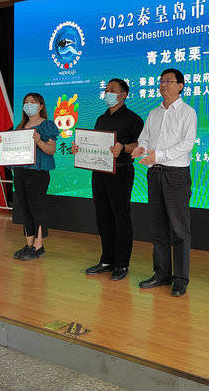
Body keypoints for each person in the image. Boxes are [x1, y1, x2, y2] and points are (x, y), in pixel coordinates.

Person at [131, 68, 196, 297]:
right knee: (158, 227)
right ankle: (161, 274)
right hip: (155, 173)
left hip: (176, 174)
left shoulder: (188, 112)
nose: (163, 85)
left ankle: (180, 279)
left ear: (180, 86)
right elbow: (145, 138)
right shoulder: (154, 113)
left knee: (179, 229)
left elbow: (187, 144)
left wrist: (158, 156)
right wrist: (141, 149)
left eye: (169, 81)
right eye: (161, 81)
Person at [72, 79, 143, 281]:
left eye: (112, 90)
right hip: (99, 173)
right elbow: (95, 145)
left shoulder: (133, 119)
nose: (107, 93)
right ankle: (106, 260)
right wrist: (80, 149)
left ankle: (122, 264)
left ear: (124, 95)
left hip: (120, 173)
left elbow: (140, 145)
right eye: (106, 90)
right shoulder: (101, 118)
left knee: (121, 218)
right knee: (103, 217)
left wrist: (123, 147)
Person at [2, 93, 59, 261]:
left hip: (38, 173)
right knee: (24, 208)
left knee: (36, 208)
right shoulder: (20, 127)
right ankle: (29, 244)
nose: (29, 105)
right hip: (20, 171)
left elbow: (51, 150)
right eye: (26, 102)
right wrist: (4, 142)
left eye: (33, 102)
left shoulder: (46, 125)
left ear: (41, 106)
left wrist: (39, 141)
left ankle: (38, 245)